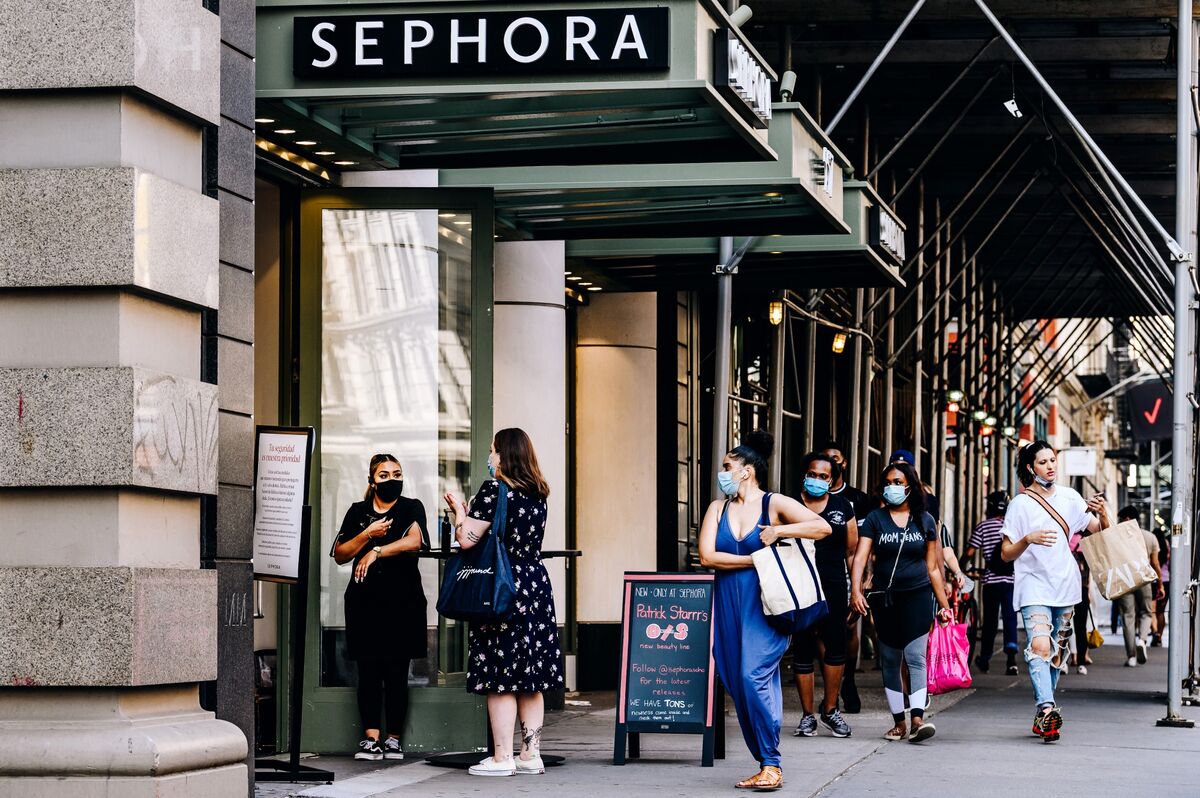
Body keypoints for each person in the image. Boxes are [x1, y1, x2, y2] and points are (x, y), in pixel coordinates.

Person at [700, 431, 832, 791]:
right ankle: (764, 761)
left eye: (728, 466)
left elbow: (822, 527)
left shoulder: (773, 503)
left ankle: (772, 762)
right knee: (735, 678)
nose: (723, 473)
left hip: (766, 604)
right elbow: (707, 556)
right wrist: (756, 559)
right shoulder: (718, 508)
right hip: (727, 604)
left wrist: (779, 531)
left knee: (751, 674)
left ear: (747, 471)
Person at [443, 428, 562, 777]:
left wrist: (459, 512)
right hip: (535, 586)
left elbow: (467, 540)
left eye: (493, 450)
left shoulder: (494, 490)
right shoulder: (539, 493)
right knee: (530, 676)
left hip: (502, 589)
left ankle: (501, 757)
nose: (490, 456)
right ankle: (531, 754)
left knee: (500, 675)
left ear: (505, 456)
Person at [1000, 441, 1110, 743]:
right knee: (1040, 647)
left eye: (1053, 460)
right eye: (1043, 462)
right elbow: (1006, 554)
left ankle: (1042, 717)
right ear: (1029, 468)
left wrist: (1103, 513)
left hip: (1066, 585)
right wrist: (1028, 539)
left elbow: (1097, 530)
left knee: (1058, 655)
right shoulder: (1020, 505)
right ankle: (1047, 709)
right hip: (1033, 585)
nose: (1050, 466)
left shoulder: (1070, 497)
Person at [331, 454, 429, 761]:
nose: (392, 480)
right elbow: (340, 553)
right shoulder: (357, 512)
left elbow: (414, 542)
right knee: (369, 671)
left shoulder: (411, 507)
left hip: (403, 603)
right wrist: (366, 535)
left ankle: (393, 740)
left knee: (397, 672)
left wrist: (377, 551)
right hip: (364, 604)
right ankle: (371, 739)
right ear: (372, 481)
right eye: (384, 475)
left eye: (396, 474)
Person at [850, 462, 953, 743]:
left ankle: (918, 719)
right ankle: (898, 723)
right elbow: (860, 557)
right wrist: (856, 591)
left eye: (898, 482)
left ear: (910, 486)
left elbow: (933, 568)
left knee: (916, 657)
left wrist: (944, 605)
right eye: (888, 482)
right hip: (885, 598)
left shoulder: (925, 521)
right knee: (890, 659)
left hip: (918, 595)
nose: (892, 487)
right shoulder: (875, 519)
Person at [789, 452, 857, 739]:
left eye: (823, 476)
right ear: (804, 474)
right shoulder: (788, 504)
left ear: (832, 479)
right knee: (803, 648)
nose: (817, 480)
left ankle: (830, 709)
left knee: (835, 647)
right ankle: (807, 716)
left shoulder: (844, 508)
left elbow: (852, 551)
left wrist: (856, 589)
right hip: (799, 587)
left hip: (833, 586)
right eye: (812, 474)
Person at [821, 440, 871, 713]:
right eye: (826, 458)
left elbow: (863, 544)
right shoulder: (808, 498)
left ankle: (848, 680)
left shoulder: (857, 499)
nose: (831, 462)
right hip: (819, 572)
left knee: (848, 628)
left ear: (844, 463)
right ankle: (832, 690)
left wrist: (862, 580)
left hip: (848, 570)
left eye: (835, 458)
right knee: (821, 631)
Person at [965, 491, 1020, 675]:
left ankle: (985, 658)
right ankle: (1011, 660)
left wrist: (959, 568)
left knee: (990, 621)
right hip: (1011, 580)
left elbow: (970, 552)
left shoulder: (983, 527)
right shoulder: (1014, 527)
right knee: (1010, 618)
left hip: (990, 581)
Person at [1113, 506, 1164, 667]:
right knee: (1146, 613)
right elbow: (1155, 563)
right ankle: (1142, 640)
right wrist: (1160, 584)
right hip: (1144, 578)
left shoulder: (1117, 537)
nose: (1120, 522)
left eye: (1121, 519)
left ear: (1127, 518)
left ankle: (1131, 656)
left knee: (1128, 616)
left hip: (1124, 579)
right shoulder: (1150, 537)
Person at [888, 449, 941, 522]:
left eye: (904, 468)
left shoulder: (928, 500)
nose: (898, 472)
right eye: (894, 467)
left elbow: (934, 528)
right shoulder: (883, 496)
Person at [1152, 526, 1171, 647]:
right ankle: (1160, 635)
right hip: (1166, 581)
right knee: (1161, 612)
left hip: (1153, 581)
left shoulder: (1153, 546)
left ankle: (1155, 633)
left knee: (1152, 611)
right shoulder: (1167, 546)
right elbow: (1170, 565)